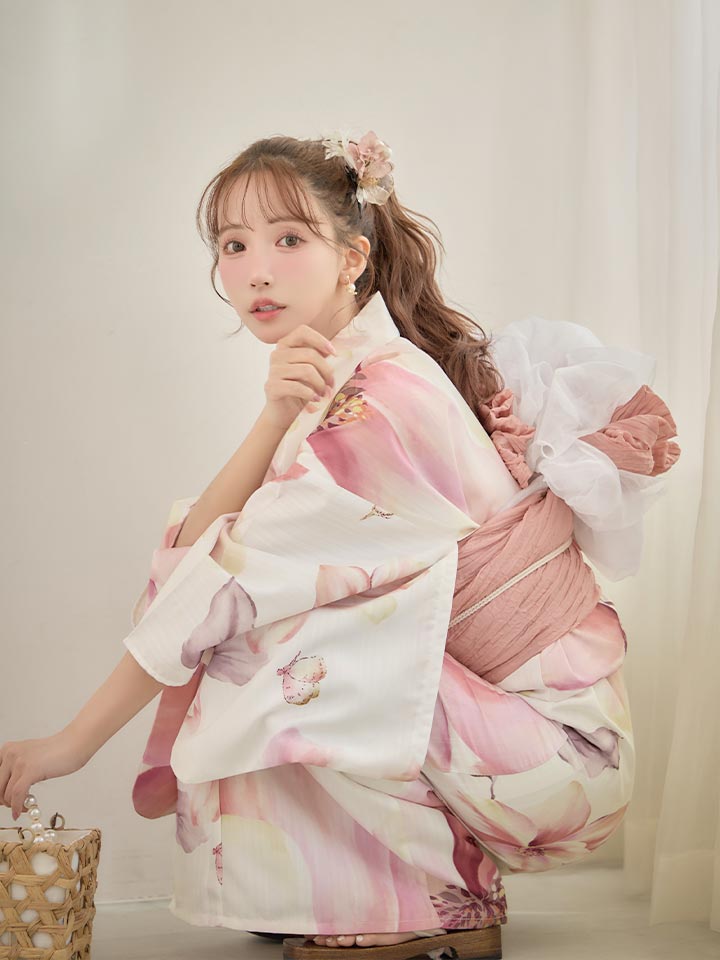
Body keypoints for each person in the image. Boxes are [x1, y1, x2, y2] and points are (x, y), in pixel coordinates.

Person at [0, 130, 681, 960]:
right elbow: (201, 540)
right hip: (506, 741)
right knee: (267, 604)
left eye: (289, 239)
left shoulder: (381, 400)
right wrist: (273, 418)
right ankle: (342, 884)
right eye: (233, 245)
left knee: (269, 638)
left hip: (559, 759)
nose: (256, 270)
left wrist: (71, 742)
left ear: (352, 257)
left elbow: (221, 584)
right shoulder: (348, 379)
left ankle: (433, 907)